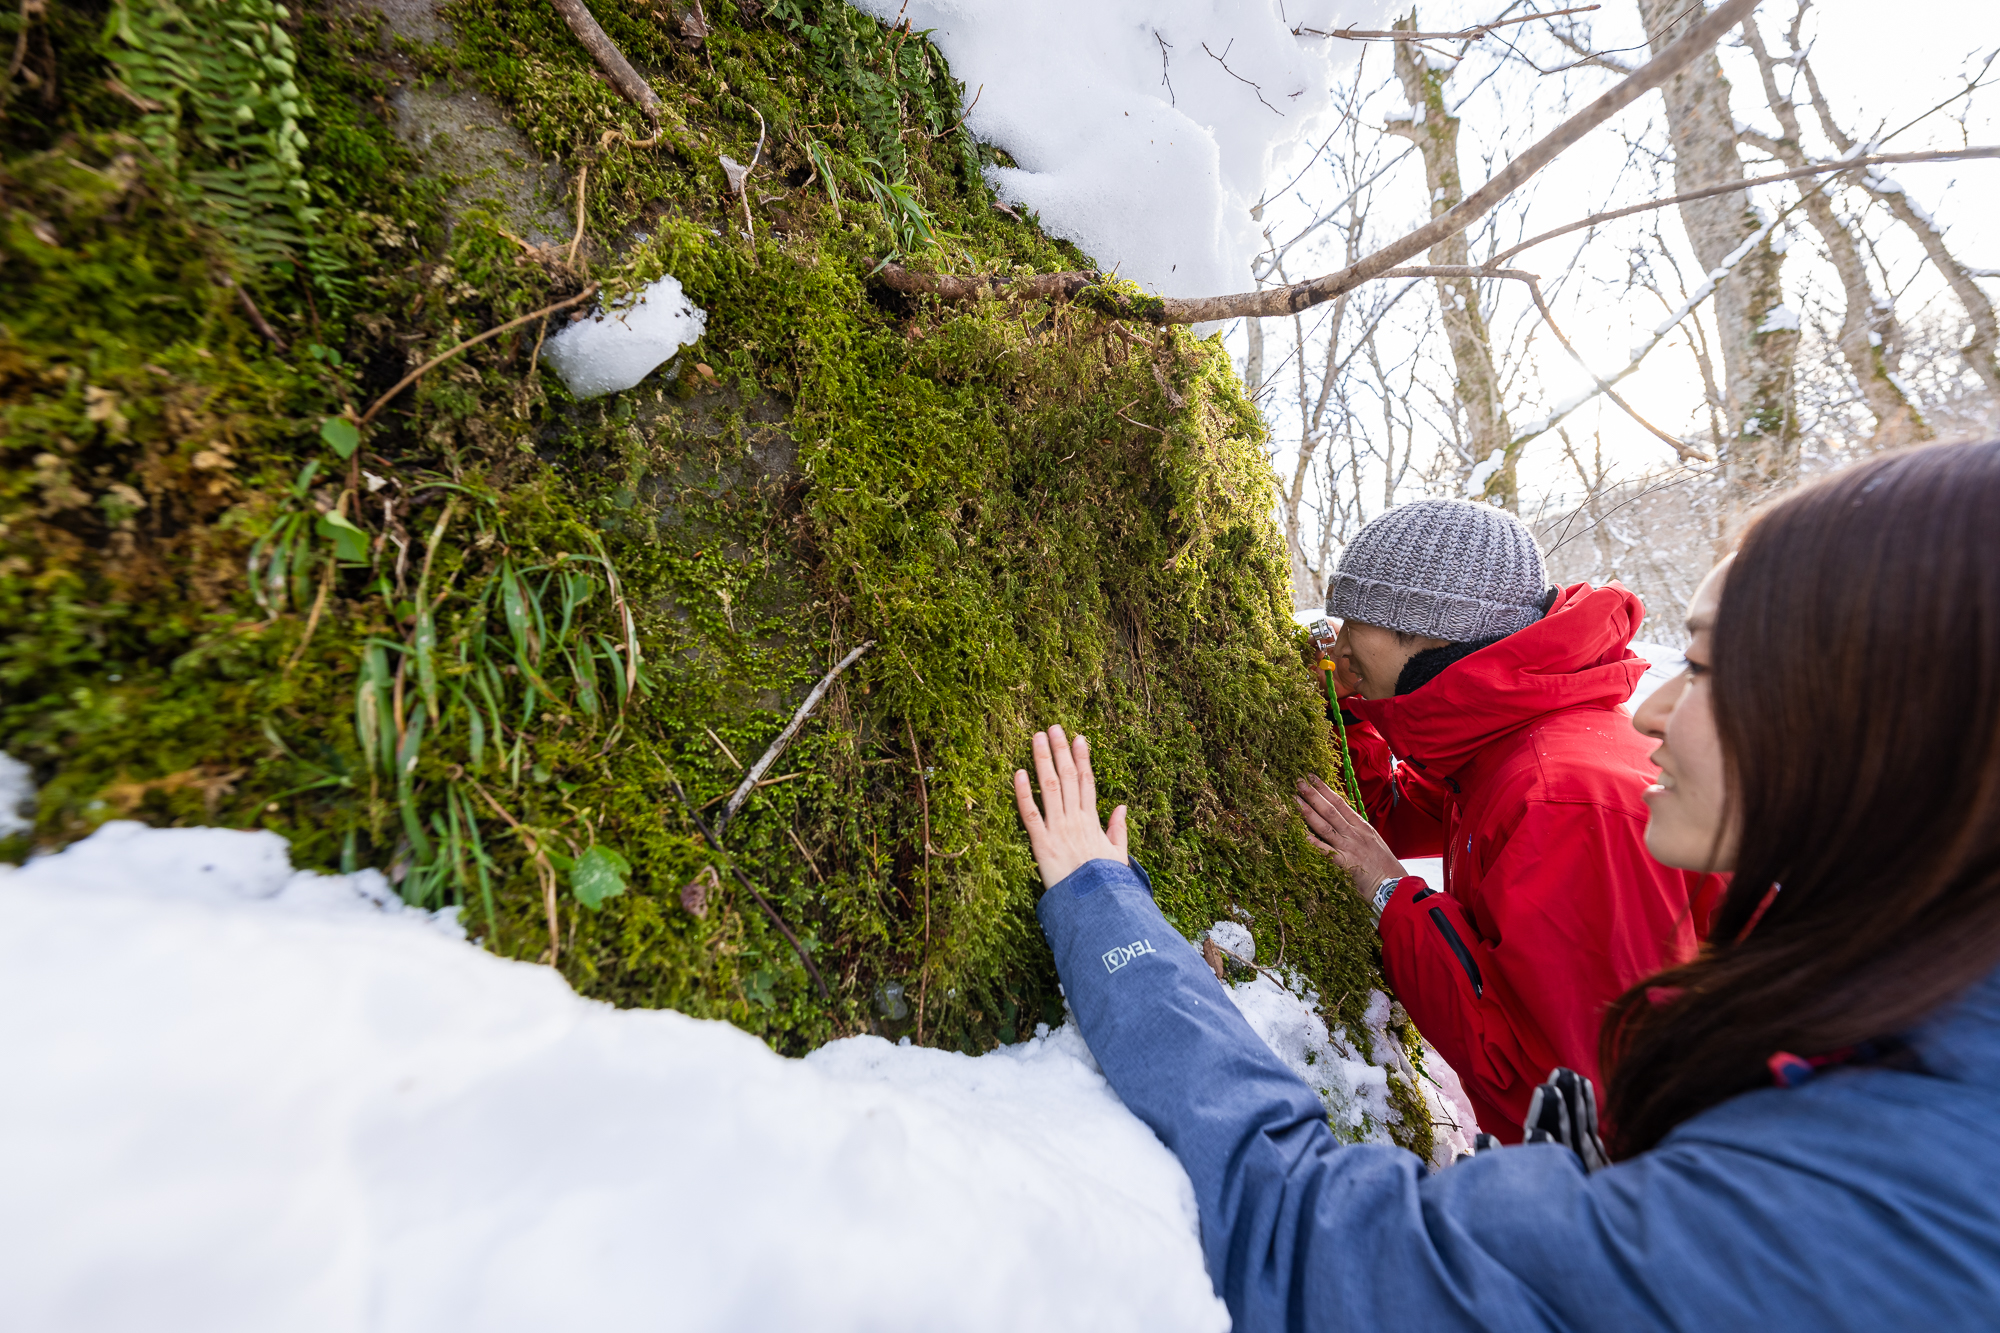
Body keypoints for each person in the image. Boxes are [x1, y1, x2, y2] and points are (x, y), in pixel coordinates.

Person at [1013, 441, 2000, 1330]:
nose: (1648, 704)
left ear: (1891, 730)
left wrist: (1114, 917)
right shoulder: (1906, 1039)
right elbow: (1421, 806)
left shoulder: (1569, 794)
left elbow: (1323, 1238)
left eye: (1702, 665)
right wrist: (1346, 702)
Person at [1293, 496, 1724, 1140]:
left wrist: (1393, 897)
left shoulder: (1561, 799)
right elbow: (1380, 816)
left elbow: (1566, 1095)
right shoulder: (1507, 741)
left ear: (1432, 630)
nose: (1338, 640)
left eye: (1358, 620)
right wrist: (1345, 704)